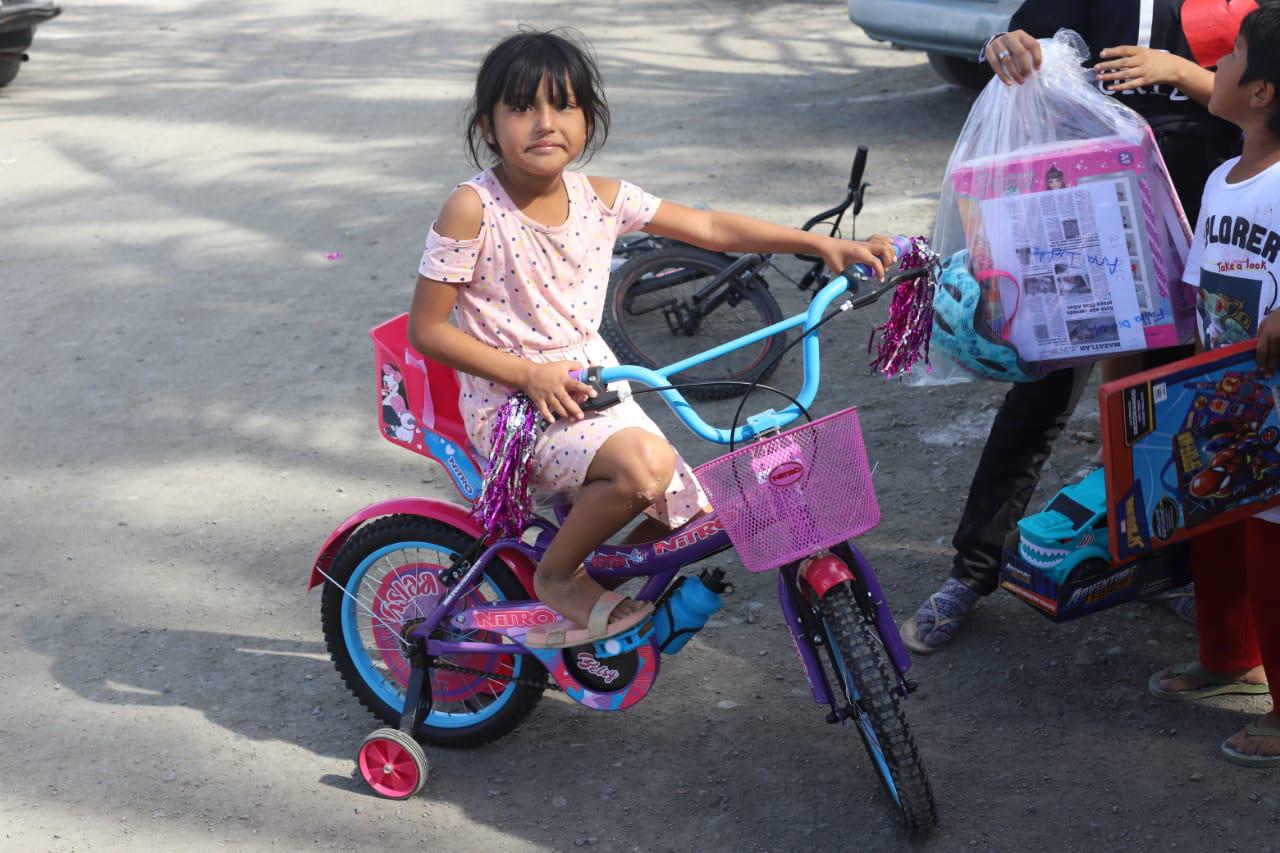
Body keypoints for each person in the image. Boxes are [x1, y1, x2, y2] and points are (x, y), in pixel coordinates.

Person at [408, 29, 896, 647]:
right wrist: (529, 374)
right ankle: (557, 577)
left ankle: (603, 595)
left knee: (686, 518)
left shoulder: (602, 198)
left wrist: (821, 243)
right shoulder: (473, 208)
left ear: (589, 119)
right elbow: (426, 330)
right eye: (522, 107)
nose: (544, 123)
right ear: (488, 122)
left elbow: (712, 227)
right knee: (646, 467)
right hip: (516, 406)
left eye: (563, 106)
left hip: (598, 388)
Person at [902, 0, 1251, 654]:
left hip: (1191, 224)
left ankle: (1166, 567)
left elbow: (1265, 97)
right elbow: (1021, 38)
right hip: (1084, 220)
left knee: (1163, 410)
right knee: (1038, 399)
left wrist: (1181, 72)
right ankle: (971, 572)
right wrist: (1005, 47)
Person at [1148, 4, 1280, 766]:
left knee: (1272, 555)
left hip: (1275, 413)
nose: (1215, 67)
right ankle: (1229, 657)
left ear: (1261, 91)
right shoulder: (1225, 177)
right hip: (1219, 397)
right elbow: (1204, 288)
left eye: (1231, 56)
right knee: (1216, 532)